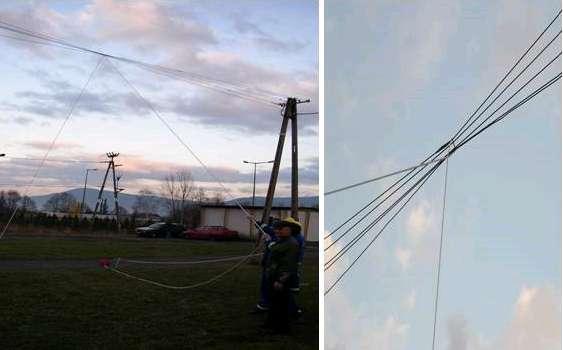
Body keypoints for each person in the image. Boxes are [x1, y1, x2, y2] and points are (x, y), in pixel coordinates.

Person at [263, 218, 299, 334]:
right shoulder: (282, 241)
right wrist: (269, 242)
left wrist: (281, 280)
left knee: (281, 304)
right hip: (274, 275)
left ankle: (282, 328)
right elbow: (275, 250)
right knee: (273, 301)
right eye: (276, 229)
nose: (277, 231)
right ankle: (270, 323)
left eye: (280, 229)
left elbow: (289, 265)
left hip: (281, 278)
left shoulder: (291, 244)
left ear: (288, 230)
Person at [254, 217, 279, 312]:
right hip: (267, 264)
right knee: (265, 284)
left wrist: (269, 241)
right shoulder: (272, 232)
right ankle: (266, 302)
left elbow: (274, 249)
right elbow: (263, 227)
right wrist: (254, 220)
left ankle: (266, 303)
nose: (272, 228)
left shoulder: (276, 236)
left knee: (267, 285)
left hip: (271, 265)